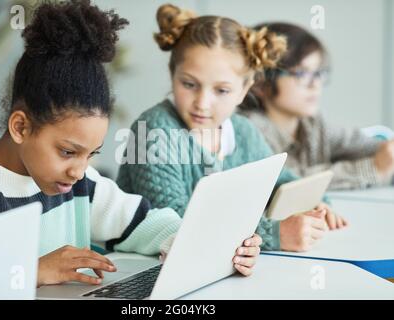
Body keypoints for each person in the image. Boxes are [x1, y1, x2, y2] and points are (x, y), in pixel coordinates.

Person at [0, 0, 260, 286]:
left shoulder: (82, 185)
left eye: (90, 154)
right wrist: (32, 270)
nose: (79, 170)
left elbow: (148, 223)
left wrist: (202, 244)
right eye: (68, 152)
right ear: (21, 126)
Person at [117, 4, 347, 255]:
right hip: (147, 268)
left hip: (213, 266)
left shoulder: (242, 130)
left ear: (245, 89)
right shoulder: (152, 131)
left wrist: (316, 205)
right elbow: (176, 223)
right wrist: (275, 234)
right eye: (189, 84)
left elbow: (281, 180)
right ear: (172, 73)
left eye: (222, 90)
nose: (202, 103)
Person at [239, 22, 394, 190]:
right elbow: (286, 180)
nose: (315, 84)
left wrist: (387, 154)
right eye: (301, 73)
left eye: (318, 73)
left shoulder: (312, 123)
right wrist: (372, 169)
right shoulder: (248, 129)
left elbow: (361, 145)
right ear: (261, 83)